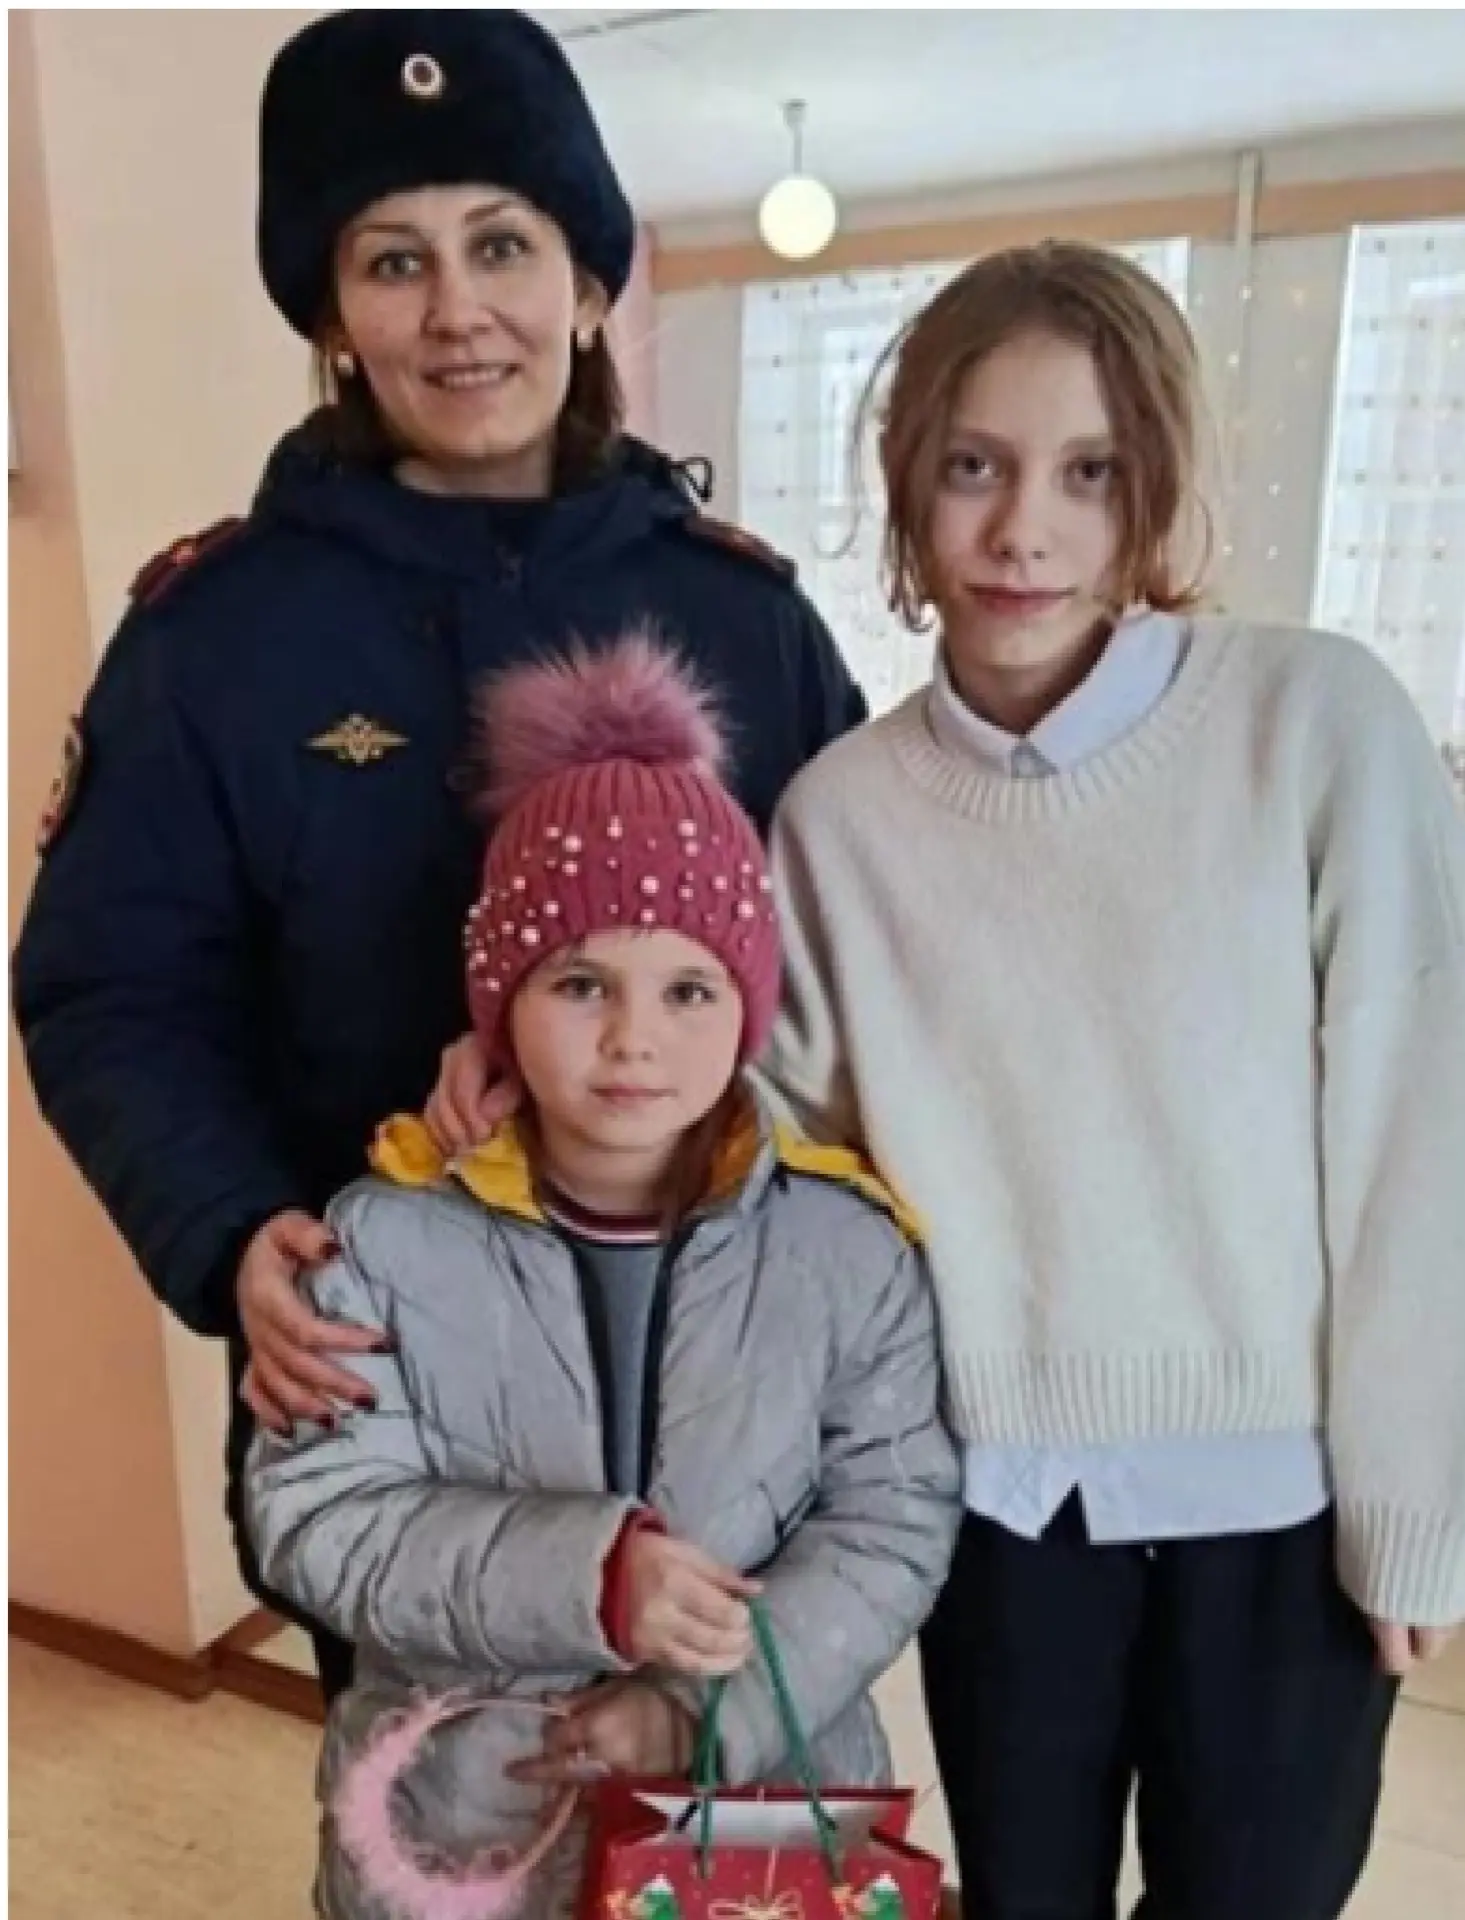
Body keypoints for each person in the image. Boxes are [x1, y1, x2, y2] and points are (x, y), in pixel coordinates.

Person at [10, 9, 864, 1705]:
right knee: (432, 1812)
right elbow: (111, 990)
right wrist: (230, 1231)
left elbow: (854, 975)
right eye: (394, 261)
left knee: (731, 1793)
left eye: (503, 245)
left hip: (721, 1370)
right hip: (396, 1394)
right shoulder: (215, 637)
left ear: (590, 284)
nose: (458, 310)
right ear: (332, 316)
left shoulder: (741, 621)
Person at [759, 242, 1465, 1920]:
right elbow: (780, 1171)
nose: (1025, 531)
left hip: (1284, 1515)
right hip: (999, 1519)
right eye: (974, 466)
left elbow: (1417, 1137)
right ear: (907, 481)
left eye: (1089, 471)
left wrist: (1413, 1507)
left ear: (1154, 486)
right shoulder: (837, 817)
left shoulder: (1319, 723)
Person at [243, 636, 959, 1920]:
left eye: (689, 989)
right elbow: (318, 1516)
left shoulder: (848, 1250)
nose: (634, 1039)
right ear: (498, 1004)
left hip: (747, 1826)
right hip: (459, 1832)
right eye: (580, 983)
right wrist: (589, 1577)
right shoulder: (385, 1242)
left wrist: (700, 1709)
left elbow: (891, 1518)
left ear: (748, 1007)